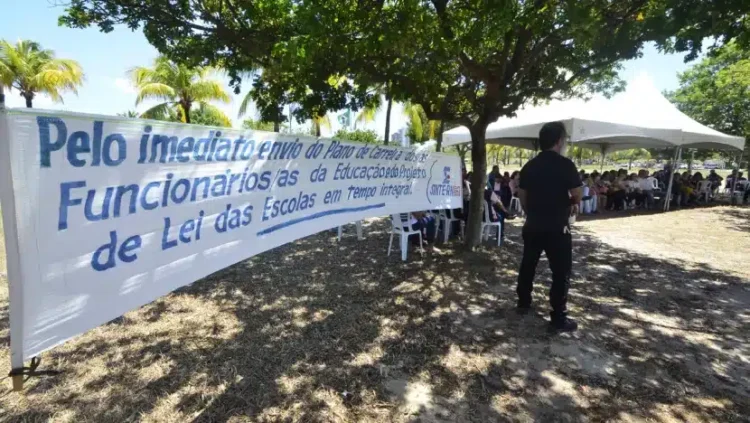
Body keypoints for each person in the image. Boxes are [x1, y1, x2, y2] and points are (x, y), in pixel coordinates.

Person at [516, 121, 582, 333]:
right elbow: (577, 194)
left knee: (528, 264)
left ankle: (524, 301)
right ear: (559, 141)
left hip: (533, 223)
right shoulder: (565, 165)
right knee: (561, 271)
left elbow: (522, 196)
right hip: (557, 226)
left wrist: (532, 212)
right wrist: (571, 204)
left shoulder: (529, 166)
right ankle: (558, 316)